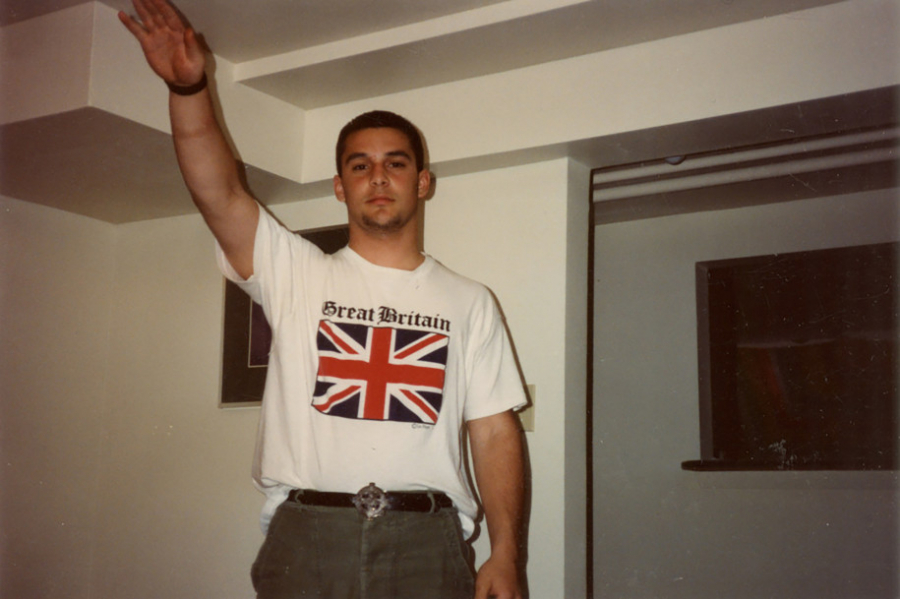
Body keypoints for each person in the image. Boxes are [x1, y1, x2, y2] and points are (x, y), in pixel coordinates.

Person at [119, 1, 528, 598]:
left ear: (423, 182)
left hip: (428, 540)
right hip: (308, 535)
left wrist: (508, 552)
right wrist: (189, 88)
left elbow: (494, 434)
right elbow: (220, 193)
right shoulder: (297, 273)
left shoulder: (471, 302)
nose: (378, 177)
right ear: (341, 187)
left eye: (396, 163)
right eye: (359, 166)